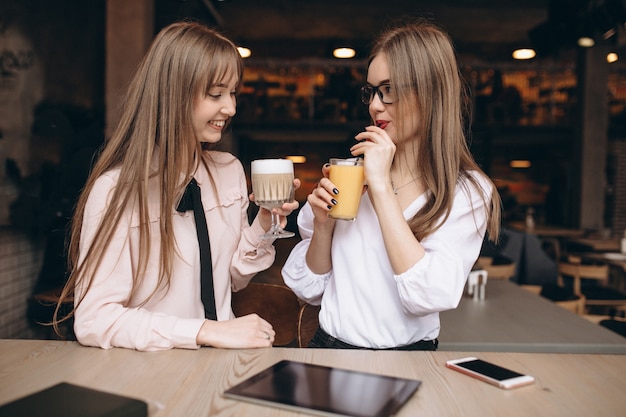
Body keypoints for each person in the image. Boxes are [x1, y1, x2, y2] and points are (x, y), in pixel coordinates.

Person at [53, 21, 299, 351]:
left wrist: (265, 223)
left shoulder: (228, 171)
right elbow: (94, 320)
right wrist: (203, 331)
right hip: (150, 372)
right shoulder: (116, 190)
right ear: (174, 94)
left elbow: (234, 279)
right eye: (216, 94)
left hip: (218, 367)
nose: (231, 108)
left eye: (232, 93)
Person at [282, 20, 501, 350]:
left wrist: (382, 187)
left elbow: (426, 296)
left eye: (390, 90)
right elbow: (309, 289)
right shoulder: (351, 174)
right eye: (371, 91)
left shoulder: (465, 191)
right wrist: (323, 227)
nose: (374, 105)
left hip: (408, 359)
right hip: (328, 349)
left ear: (430, 93)